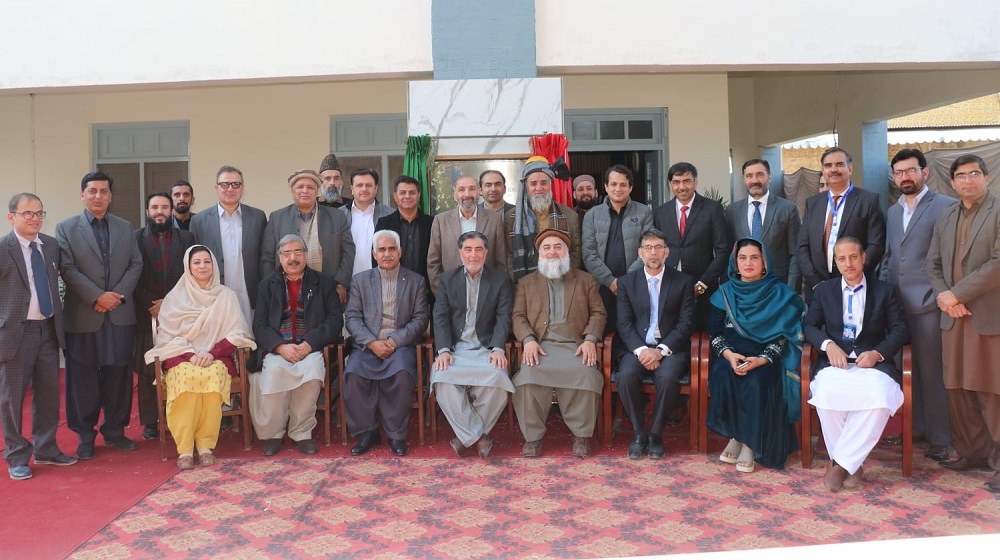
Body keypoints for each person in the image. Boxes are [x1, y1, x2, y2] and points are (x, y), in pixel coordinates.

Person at [803, 237, 909, 492]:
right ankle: (852, 465)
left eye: (853, 257)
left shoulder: (884, 290)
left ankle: (839, 465)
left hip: (871, 366)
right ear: (835, 261)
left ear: (863, 258)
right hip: (835, 365)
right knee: (826, 395)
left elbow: (900, 329)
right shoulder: (824, 291)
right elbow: (809, 326)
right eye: (841, 258)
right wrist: (828, 345)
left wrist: (878, 353)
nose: (848, 263)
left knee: (881, 396)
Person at [56, 171, 143, 460]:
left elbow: (135, 264)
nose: (98, 196)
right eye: (92, 191)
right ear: (82, 194)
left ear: (110, 195)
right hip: (84, 314)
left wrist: (115, 296)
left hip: (119, 314)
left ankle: (115, 430)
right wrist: (97, 296)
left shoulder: (124, 227)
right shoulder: (66, 228)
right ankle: (85, 435)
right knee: (82, 379)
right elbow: (67, 269)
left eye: (103, 191)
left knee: (118, 375)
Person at [145, 245, 256, 469]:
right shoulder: (175, 298)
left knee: (212, 377)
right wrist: (190, 355)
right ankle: (185, 449)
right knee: (185, 380)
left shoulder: (226, 296)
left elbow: (236, 333)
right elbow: (167, 337)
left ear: (213, 265)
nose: (202, 266)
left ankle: (205, 446)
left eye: (207, 261)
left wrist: (211, 353)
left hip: (216, 357)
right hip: (181, 357)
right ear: (188, 266)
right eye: (197, 262)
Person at [927, 154, 1000, 493]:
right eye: (961, 175)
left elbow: (998, 263)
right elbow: (933, 264)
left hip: (986, 316)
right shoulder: (946, 217)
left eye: (974, 174)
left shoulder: (997, 210)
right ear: (952, 182)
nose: (968, 180)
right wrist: (945, 297)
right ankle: (972, 452)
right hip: (953, 318)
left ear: (986, 177)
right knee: (957, 388)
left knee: (991, 390)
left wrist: (956, 295)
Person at [879, 148, 956, 460]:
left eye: (910, 170)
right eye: (899, 172)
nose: (904, 177)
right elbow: (889, 256)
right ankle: (915, 428)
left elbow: (950, 260)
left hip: (928, 304)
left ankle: (940, 437)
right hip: (897, 306)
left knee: (931, 371)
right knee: (902, 370)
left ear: (925, 172)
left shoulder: (946, 207)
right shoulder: (893, 211)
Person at [706, 238, 805, 472]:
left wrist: (761, 359)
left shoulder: (780, 294)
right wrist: (729, 355)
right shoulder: (725, 293)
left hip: (766, 358)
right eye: (742, 258)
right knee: (722, 373)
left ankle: (751, 443)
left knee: (756, 382)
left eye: (754, 257)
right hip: (732, 355)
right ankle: (735, 435)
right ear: (735, 262)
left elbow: (786, 335)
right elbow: (715, 332)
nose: (748, 263)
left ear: (764, 262)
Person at [512, 229, 606, 457]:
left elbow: (598, 313)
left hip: (575, 346)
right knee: (526, 379)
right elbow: (518, 316)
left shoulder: (585, 280)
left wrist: (590, 339)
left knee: (586, 374)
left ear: (566, 252)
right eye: (547, 248)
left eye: (557, 247)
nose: (552, 252)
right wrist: (528, 339)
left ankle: (581, 436)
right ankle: (533, 438)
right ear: (539, 254)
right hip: (541, 347)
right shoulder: (526, 283)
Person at [1, 194, 75, 480]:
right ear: (12, 217)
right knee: (12, 398)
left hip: (47, 329)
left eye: (39, 213)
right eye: (27, 213)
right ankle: (17, 455)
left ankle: (46, 448)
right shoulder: (3, 248)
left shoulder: (51, 245)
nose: (34, 218)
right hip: (15, 333)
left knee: (47, 394)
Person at [252, 235, 342, 456]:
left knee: (311, 372)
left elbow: (335, 321)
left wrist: (309, 344)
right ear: (280, 257)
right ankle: (274, 434)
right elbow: (260, 325)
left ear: (306, 254)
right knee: (273, 372)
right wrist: (280, 347)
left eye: (298, 252)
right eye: (287, 253)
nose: (293, 258)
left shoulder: (324, 283)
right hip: (278, 348)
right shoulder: (266, 285)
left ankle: (301, 433)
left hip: (310, 347)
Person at [344, 230, 430, 456]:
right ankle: (367, 433)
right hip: (368, 344)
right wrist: (372, 342)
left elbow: (421, 318)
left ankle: (396, 435)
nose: (387, 253)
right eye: (382, 249)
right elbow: (352, 318)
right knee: (353, 375)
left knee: (401, 375)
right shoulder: (360, 281)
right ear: (374, 254)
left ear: (400, 252)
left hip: (400, 345)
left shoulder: (416, 281)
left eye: (392, 249)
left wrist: (394, 340)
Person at [615, 228, 696, 459]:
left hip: (670, 348)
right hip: (637, 347)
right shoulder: (626, 283)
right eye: (648, 248)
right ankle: (640, 434)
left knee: (668, 378)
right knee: (626, 375)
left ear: (667, 252)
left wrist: (660, 351)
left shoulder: (683, 282)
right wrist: (642, 351)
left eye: (658, 247)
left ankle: (657, 434)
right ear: (640, 253)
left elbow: (686, 323)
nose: (653, 252)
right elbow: (624, 323)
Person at [432, 231, 514, 459]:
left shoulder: (500, 280)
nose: (474, 254)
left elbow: (503, 317)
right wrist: (444, 350)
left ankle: (464, 437)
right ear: (460, 253)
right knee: (440, 377)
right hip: (457, 349)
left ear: (486, 252)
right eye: (468, 250)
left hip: (486, 348)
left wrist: (498, 348)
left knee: (499, 379)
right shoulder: (448, 280)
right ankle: (479, 437)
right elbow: (440, 316)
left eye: (479, 249)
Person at [133, 192, 195, 441]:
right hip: (145, 312)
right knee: (149, 368)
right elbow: (131, 275)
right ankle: (150, 420)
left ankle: (177, 416)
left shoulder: (186, 238)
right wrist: (151, 303)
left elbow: (191, 274)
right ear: (147, 211)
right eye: (155, 207)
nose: (160, 211)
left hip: (178, 312)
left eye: (165, 207)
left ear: (171, 211)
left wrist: (167, 303)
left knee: (178, 364)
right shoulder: (135, 238)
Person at [797, 147, 885, 302]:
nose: (833, 169)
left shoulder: (869, 200)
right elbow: (803, 246)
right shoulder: (813, 203)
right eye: (828, 165)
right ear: (823, 170)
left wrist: (851, 277)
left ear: (849, 168)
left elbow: (876, 245)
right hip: (819, 288)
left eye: (839, 164)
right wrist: (816, 282)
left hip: (856, 287)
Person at [652, 162, 730, 331]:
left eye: (687, 181)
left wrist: (703, 283)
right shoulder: (660, 212)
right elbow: (657, 249)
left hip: (703, 287)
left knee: (702, 335)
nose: (681, 187)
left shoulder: (712, 208)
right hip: (670, 288)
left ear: (695, 182)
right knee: (672, 333)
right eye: (676, 182)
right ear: (670, 184)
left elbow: (723, 250)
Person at [261, 169, 355, 306]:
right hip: (287, 292)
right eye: (300, 187)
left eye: (310, 187)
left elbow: (348, 252)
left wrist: (341, 284)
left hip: (328, 292)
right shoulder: (277, 218)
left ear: (317, 191)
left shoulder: (337, 217)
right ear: (292, 191)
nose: (305, 191)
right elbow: (267, 257)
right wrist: (271, 287)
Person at [189, 165, 267, 323]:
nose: (230, 188)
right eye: (225, 184)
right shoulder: (199, 221)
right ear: (216, 188)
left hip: (250, 294)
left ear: (242, 188)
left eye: (236, 184)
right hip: (215, 295)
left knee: (251, 340)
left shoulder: (258, 217)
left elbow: (264, 256)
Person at [582, 164, 652, 339]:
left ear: (630, 187)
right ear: (606, 187)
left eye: (623, 185)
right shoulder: (592, 215)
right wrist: (610, 281)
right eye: (613, 184)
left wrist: (625, 282)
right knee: (602, 332)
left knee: (632, 332)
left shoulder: (644, 212)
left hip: (634, 285)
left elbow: (648, 250)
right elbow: (589, 253)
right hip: (602, 286)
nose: (618, 189)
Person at [726, 159, 801, 289]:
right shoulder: (732, 211)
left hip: (778, 286)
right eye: (749, 176)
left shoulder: (787, 209)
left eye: (760, 174)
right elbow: (729, 252)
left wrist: (791, 290)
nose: (754, 180)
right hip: (743, 288)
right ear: (744, 179)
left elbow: (795, 253)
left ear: (769, 177)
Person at [506, 157, 583, 282]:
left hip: (561, 280)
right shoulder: (511, 218)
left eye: (544, 183)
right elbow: (509, 255)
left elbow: (575, 251)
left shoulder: (569, 215)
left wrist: (562, 276)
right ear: (526, 186)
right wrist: (523, 282)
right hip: (526, 285)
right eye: (533, 183)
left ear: (550, 184)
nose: (539, 188)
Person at [428, 175, 506, 294]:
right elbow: (433, 262)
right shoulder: (440, 221)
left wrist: (495, 294)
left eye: (471, 189)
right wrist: (442, 293)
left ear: (479, 191)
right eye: (461, 189)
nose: (467, 194)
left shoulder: (494, 219)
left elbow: (500, 261)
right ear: (454, 195)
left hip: (487, 294)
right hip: (451, 293)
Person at [376, 175, 435, 290]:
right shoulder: (384, 223)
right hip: (392, 288)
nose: (407, 196)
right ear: (395, 196)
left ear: (418, 195)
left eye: (412, 192)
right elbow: (377, 256)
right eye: (402, 193)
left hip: (425, 290)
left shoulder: (432, 223)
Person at [341, 168, 394, 277]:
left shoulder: (390, 215)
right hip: (347, 283)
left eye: (368, 185)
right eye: (359, 185)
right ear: (352, 188)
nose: (364, 189)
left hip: (381, 281)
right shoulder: (339, 215)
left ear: (376, 188)